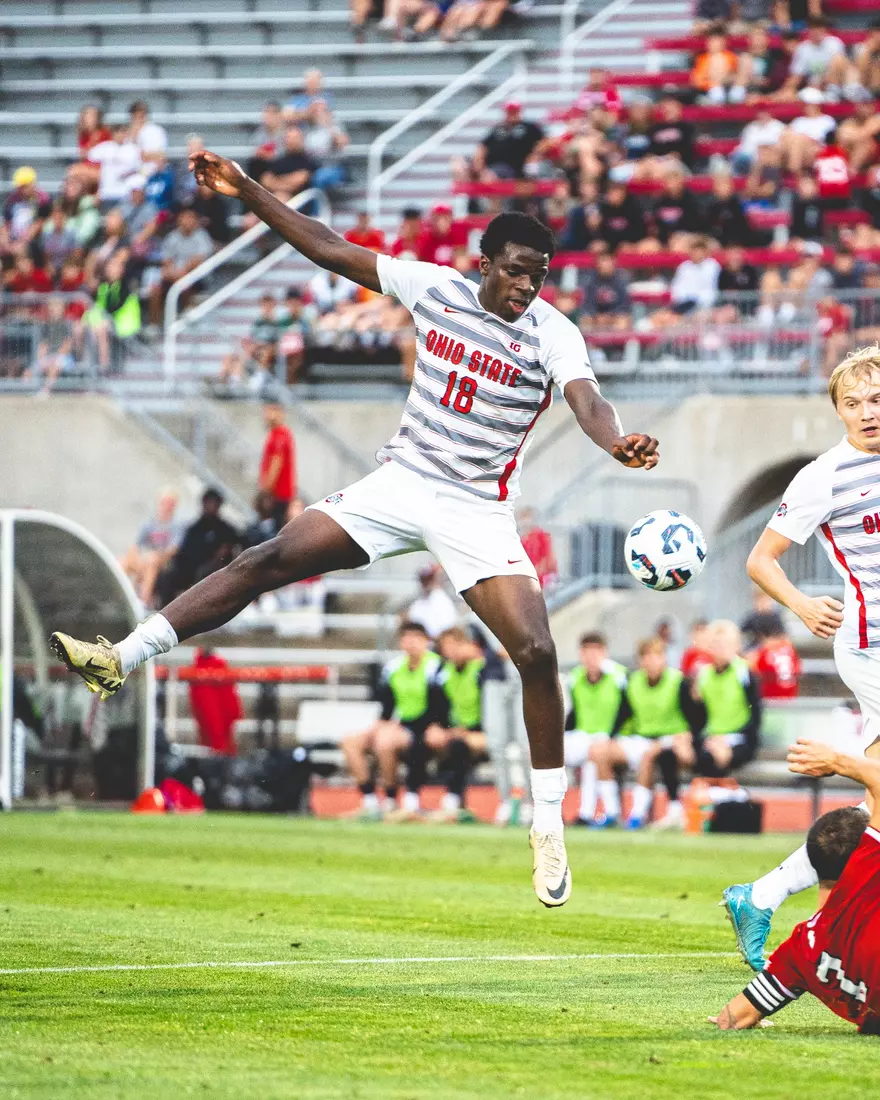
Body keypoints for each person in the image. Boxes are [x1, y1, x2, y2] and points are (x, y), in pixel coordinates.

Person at [51, 150, 660, 910]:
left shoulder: (551, 333)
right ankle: (122, 657)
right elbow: (327, 247)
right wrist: (245, 189)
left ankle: (546, 824)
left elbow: (587, 400)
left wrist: (617, 440)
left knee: (537, 652)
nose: (527, 286)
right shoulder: (433, 287)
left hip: (474, 508)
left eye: (538, 275)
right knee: (267, 558)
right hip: (401, 484)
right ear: (484, 263)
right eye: (515, 271)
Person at [722, 347, 880, 971]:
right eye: (854, 403)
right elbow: (760, 560)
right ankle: (824, 931)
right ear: (838, 412)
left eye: (876, 399)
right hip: (872, 643)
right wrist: (802, 607)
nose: (868, 412)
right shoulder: (825, 476)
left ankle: (763, 896)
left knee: (876, 805)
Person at [711, 741, 880, 1034]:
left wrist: (730, 1018)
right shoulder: (866, 869)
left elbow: (733, 1017)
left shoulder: (802, 948)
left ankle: (761, 896)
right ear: (860, 854)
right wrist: (837, 760)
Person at [588, 637, 699, 830]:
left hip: (670, 738)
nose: (651, 661)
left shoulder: (678, 682)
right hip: (641, 737)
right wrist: (610, 738)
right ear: (640, 660)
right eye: (646, 657)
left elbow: (695, 718)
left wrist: (688, 738)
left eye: (656, 656)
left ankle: (637, 815)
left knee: (648, 756)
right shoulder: (633, 681)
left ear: (664, 658)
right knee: (599, 753)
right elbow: (623, 714)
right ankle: (611, 812)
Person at [341, 621, 446, 820]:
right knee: (351, 741)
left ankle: (390, 799)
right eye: (406, 638)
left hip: (424, 727)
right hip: (399, 725)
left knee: (385, 742)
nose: (410, 643)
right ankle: (370, 800)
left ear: (426, 641)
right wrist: (378, 726)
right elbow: (387, 707)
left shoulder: (436, 666)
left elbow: (440, 704)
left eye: (416, 638)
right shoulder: (394, 668)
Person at [563, 632, 627, 826]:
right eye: (586, 652)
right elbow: (572, 714)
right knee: (546, 753)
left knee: (595, 753)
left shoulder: (620, 677)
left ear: (604, 653)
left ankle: (592, 812)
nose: (591, 657)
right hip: (583, 736)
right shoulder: (574, 679)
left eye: (595, 651)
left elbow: (627, 711)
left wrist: (613, 736)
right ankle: (548, 809)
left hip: (612, 737)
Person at [428, 626, 490, 822]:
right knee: (424, 742)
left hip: (484, 731)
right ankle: (409, 800)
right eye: (445, 647)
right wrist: (436, 727)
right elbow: (437, 707)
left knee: (459, 746)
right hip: (456, 730)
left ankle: (453, 800)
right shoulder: (443, 673)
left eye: (455, 645)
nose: (450, 651)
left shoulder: (483, 669)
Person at [691, 620, 762, 780]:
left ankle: (718, 800)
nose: (720, 649)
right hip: (711, 737)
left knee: (716, 758)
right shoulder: (704, 674)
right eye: (716, 644)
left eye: (726, 644)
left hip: (739, 737)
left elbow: (756, 710)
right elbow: (698, 715)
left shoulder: (743, 671)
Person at [155, 488, 241, 606]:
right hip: (191, 568)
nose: (211, 506)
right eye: (209, 503)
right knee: (166, 576)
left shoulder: (226, 529)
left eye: (214, 503)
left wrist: (225, 552)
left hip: (212, 571)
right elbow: (184, 552)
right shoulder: (194, 528)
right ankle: (164, 610)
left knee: (205, 575)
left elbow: (237, 545)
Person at [148, 205, 214, 329]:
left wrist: (181, 272)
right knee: (155, 289)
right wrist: (173, 272)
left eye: (190, 218)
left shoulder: (202, 236)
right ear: (178, 220)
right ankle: (154, 325)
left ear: (195, 220)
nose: (187, 221)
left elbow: (197, 260)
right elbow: (166, 260)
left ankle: (186, 308)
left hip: (196, 277)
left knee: (184, 279)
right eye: (184, 217)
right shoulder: (172, 237)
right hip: (175, 274)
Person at [119, 489, 183, 609]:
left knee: (151, 561)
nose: (166, 506)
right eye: (164, 502)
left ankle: (143, 602)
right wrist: (135, 557)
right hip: (145, 559)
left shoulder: (177, 525)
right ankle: (119, 595)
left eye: (170, 503)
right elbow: (136, 545)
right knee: (123, 561)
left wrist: (156, 556)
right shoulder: (149, 522)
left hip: (165, 563)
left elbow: (173, 549)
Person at [259, 401, 296, 526]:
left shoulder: (279, 435)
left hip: (278, 496)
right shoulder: (281, 434)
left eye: (270, 411)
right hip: (280, 496)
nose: (266, 415)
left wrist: (265, 491)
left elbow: (276, 463)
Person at [407, 564, 458, 639]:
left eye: (428, 580)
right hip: (423, 642)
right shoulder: (418, 603)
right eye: (423, 580)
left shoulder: (442, 601)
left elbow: (448, 627)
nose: (425, 584)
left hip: (438, 644)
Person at [751, 624, 802, 699]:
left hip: (770, 698)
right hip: (790, 697)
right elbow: (798, 670)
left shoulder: (765, 651)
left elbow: (755, 672)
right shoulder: (791, 649)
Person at [517, 508, 558, 591]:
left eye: (526, 517)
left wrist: (537, 572)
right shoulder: (521, 539)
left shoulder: (541, 536)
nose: (524, 521)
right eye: (522, 518)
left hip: (541, 577)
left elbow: (547, 557)